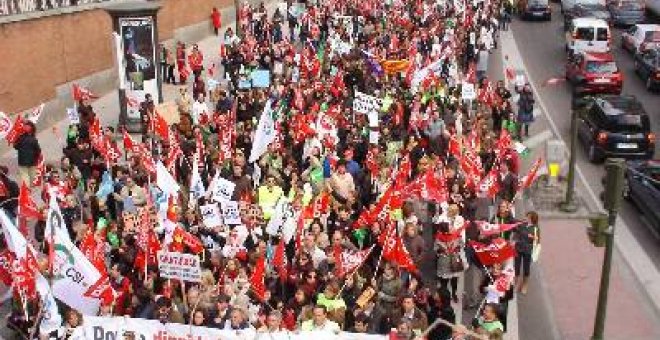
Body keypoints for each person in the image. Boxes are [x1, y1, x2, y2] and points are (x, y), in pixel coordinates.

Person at [512, 211, 540, 294]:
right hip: (518, 248)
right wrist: (514, 240)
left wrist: (534, 237)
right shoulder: (522, 225)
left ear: (532, 219)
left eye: (528, 217)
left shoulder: (535, 228)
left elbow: (538, 240)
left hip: (527, 251)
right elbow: (515, 231)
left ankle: (525, 285)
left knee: (526, 269)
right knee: (516, 267)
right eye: (526, 217)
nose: (526, 218)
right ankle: (516, 283)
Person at [14, 120, 41, 185]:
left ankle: (27, 189)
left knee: (25, 176)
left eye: (26, 126)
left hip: (23, 160)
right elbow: (38, 150)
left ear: (30, 127)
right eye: (24, 125)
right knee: (31, 176)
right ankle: (28, 188)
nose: (24, 127)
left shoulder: (21, 137)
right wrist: (36, 158)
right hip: (32, 161)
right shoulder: (33, 138)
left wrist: (15, 143)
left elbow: (16, 146)